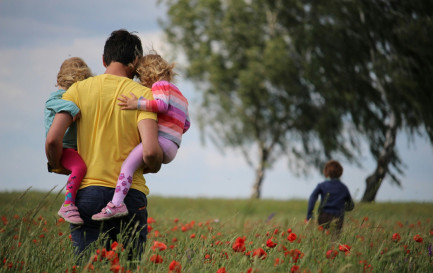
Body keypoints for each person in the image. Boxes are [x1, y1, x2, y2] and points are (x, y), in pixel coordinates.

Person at [45, 29, 163, 257]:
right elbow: (150, 152)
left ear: (103, 60)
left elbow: (52, 139)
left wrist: (57, 164)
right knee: (128, 267)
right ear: (135, 62)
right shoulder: (143, 96)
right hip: (129, 197)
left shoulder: (77, 90)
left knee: (89, 266)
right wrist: (155, 164)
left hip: (86, 194)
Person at [92, 51, 190, 221]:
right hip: (173, 146)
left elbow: (161, 105)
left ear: (149, 74)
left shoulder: (160, 86)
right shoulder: (181, 96)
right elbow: (186, 124)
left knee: (127, 166)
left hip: (161, 141)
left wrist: (136, 104)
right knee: (136, 166)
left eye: (141, 77)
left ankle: (116, 204)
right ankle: (122, 197)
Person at [44, 57, 92, 225]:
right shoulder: (57, 97)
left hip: (73, 147)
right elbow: (53, 103)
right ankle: (68, 204)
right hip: (64, 147)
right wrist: (72, 108)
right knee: (80, 167)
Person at [306, 160, 354, 234]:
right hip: (338, 216)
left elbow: (312, 198)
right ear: (340, 173)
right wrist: (342, 208)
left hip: (323, 216)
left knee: (324, 239)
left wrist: (309, 215)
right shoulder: (343, 187)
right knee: (335, 239)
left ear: (326, 172)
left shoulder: (321, 185)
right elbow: (351, 205)